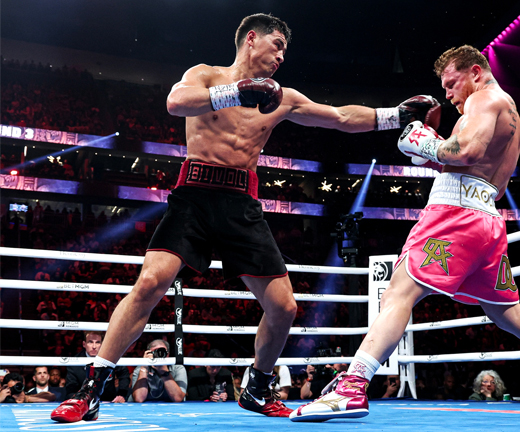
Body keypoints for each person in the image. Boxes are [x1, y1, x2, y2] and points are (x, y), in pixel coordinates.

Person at [51, 12, 439, 423]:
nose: (282, 57)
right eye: (278, 46)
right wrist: (237, 93)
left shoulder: (283, 97)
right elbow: (175, 102)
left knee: (283, 307)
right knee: (150, 282)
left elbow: (340, 117)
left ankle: (257, 386)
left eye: (285, 51)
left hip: (241, 203)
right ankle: (91, 390)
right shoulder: (206, 74)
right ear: (251, 39)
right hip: (194, 196)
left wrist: (395, 115)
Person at [290, 45, 520, 422]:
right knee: (509, 312)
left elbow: (467, 152)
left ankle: (352, 387)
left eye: (451, 83)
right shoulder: (507, 110)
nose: (447, 94)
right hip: (486, 219)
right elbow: (466, 162)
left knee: (399, 291)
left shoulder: (484, 100)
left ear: (476, 72)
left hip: (454, 214)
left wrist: (424, 141)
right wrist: (427, 151)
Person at [64, 332, 130, 402]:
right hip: (83, 402)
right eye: (90, 342)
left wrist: (122, 395)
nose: (94, 346)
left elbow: (124, 373)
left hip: (109, 401)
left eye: (97, 342)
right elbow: (71, 390)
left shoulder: (111, 357)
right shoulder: (75, 363)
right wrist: (80, 401)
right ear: (84, 344)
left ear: (102, 344)